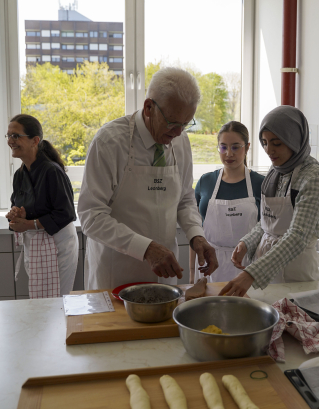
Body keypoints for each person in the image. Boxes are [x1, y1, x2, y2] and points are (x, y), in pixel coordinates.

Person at [78, 67, 218, 289]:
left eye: (186, 123)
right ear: (148, 107)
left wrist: (196, 235)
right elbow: (91, 216)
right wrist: (145, 249)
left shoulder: (180, 142)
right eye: (172, 123)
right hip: (116, 274)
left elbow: (184, 198)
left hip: (165, 275)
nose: (179, 132)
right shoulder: (110, 142)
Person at [220, 105, 319, 297]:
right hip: (266, 275)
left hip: (297, 278)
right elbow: (267, 223)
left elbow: (297, 237)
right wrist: (247, 243)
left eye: (276, 143)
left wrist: (251, 274)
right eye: (264, 142)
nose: (269, 150)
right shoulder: (276, 171)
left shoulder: (313, 176)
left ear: (294, 140)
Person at [5, 114, 78, 297]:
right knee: (41, 304)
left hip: (58, 245)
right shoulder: (19, 174)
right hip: (37, 247)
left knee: (56, 304)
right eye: (9, 136)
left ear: (34, 140)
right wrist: (16, 214)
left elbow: (66, 213)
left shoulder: (52, 171)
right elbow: (18, 205)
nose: (11, 141)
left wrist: (29, 225)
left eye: (16, 136)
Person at [190, 121, 264, 283]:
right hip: (209, 267)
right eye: (223, 147)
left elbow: (267, 229)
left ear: (247, 147)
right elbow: (194, 231)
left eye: (235, 147)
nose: (229, 153)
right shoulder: (206, 182)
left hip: (247, 268)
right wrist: (190, 274)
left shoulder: (260, 184)